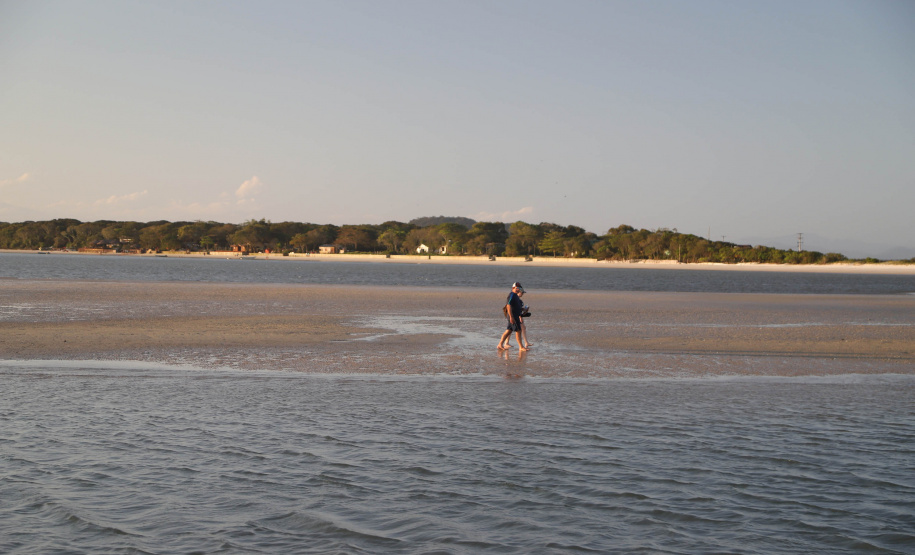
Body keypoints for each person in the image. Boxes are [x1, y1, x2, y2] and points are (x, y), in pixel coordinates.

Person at [497, 282, 529, 351]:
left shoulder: (516, 296)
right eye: (517, 288)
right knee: (518, 331)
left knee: (508, 331)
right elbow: (508, 305)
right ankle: (521, 347)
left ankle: (500, 344)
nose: (518, 289)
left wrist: (524, 309)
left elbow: (517, 307)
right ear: (513, 288)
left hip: (515, 316)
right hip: (513, 316)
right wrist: (511, 317)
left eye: (519, 288)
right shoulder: (511, 295)